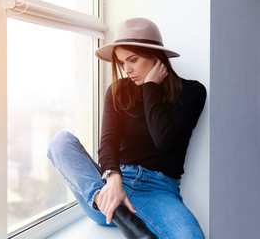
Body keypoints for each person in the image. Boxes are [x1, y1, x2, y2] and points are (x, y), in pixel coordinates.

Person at [47, 18, 206, 239]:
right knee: (60, 142)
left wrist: (150, 86)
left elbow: (164, 139)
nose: (127, 69)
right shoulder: (118, 90)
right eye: (122, 62)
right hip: (110, 190)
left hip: (158, 191)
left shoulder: (192, 92)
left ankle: (122, 213)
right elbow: (108, 142)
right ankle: (122, 215)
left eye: (133, 60)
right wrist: (113, 180)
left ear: (156, 57)